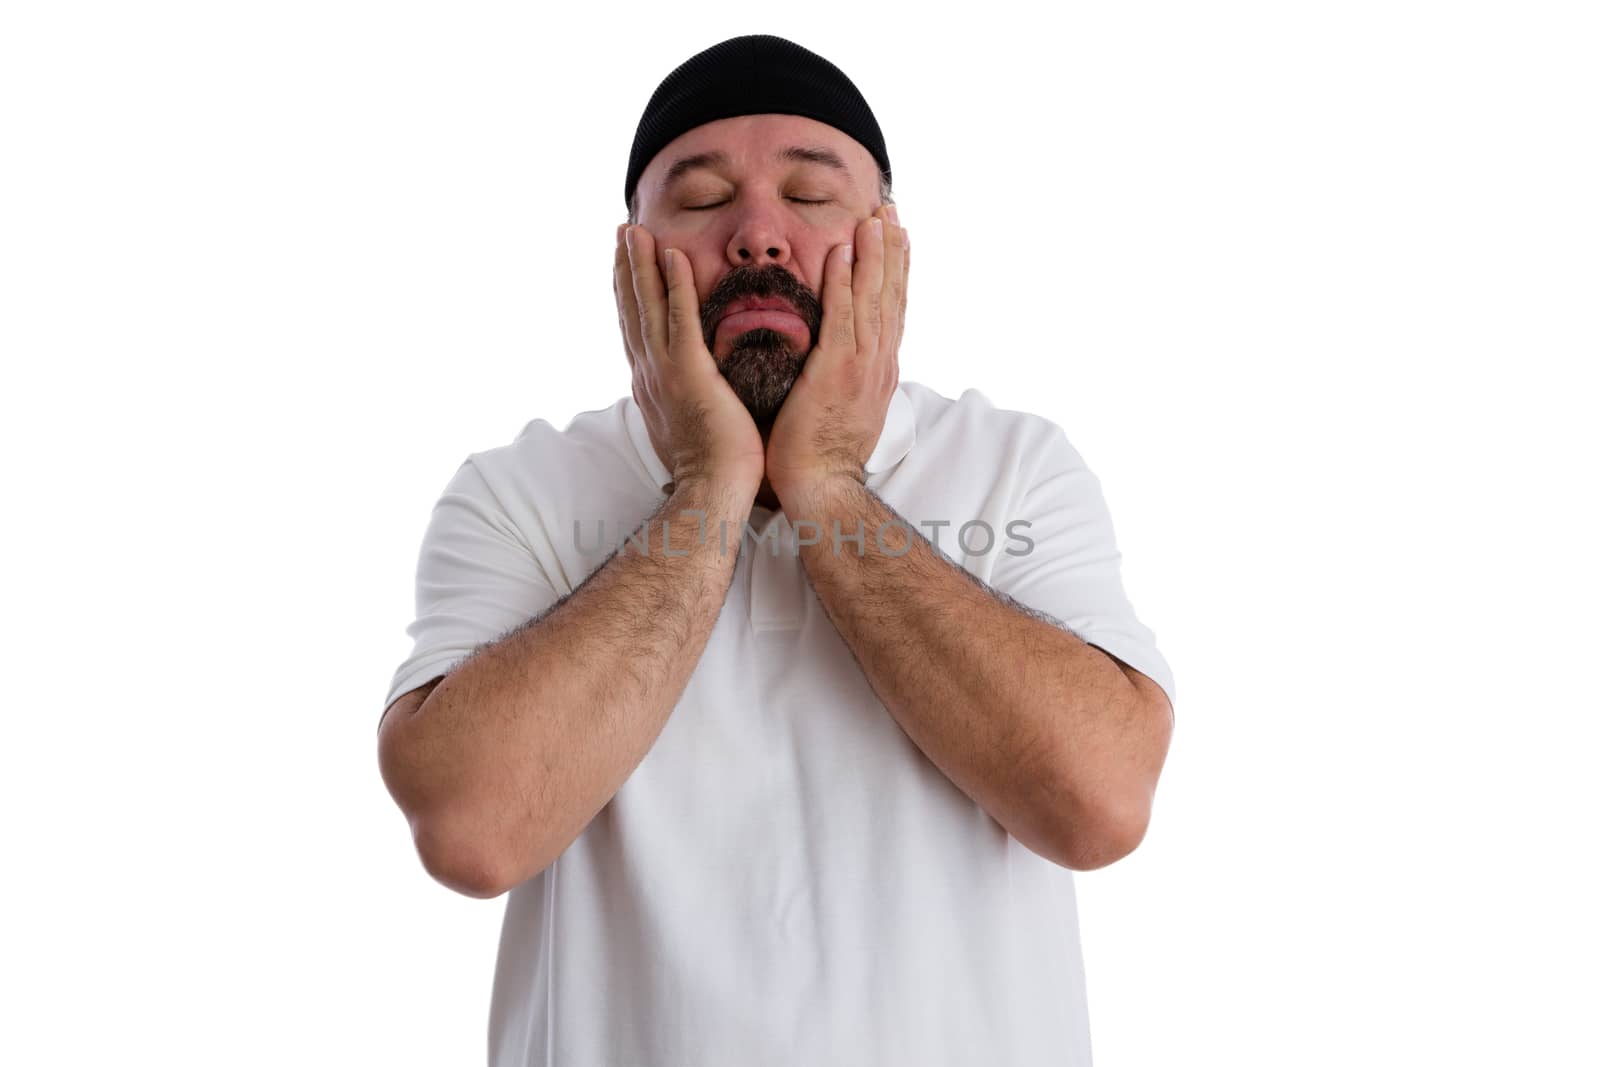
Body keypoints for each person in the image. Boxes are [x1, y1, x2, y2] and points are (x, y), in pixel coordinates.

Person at [377, 34, 1175, 1067]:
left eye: (808, 194)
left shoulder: (1012, 466)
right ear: (631, 256)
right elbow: (473, 830)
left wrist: (827, 483)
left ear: (885, 244)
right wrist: (707, 486)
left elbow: (1099, 804)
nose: (758, 236)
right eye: (702, 199)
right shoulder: (519, 491)